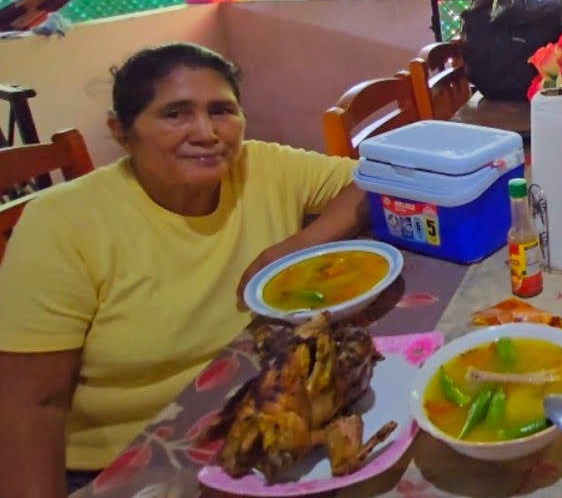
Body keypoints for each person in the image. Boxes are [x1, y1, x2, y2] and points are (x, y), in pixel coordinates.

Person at [0, 43, 367, 496]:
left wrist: (294, 248)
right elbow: (30, 405)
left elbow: (369, 180)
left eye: (221, 111)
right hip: (129, 464)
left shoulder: (263, 167)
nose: (206, 132)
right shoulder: (63, 224)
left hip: (263, 418)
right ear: (121, 132)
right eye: (175, 114)